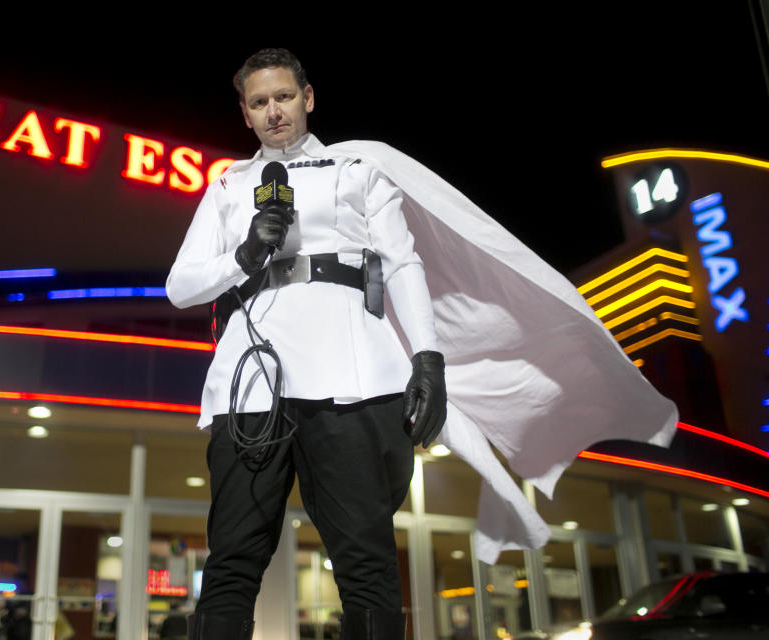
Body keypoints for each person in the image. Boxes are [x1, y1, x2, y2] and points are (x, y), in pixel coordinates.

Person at [167, 49, 676, 640]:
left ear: (308, 98)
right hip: (253, 384)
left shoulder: (357, 167)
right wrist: (244, 255)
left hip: (352, 375)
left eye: (283, 97)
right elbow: (181, 286)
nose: (274, 112)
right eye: (260, 103)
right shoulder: (229, 184)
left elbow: (403, 264)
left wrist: (427, 360)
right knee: (231, 559)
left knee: (366, 563)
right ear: (245, 114)